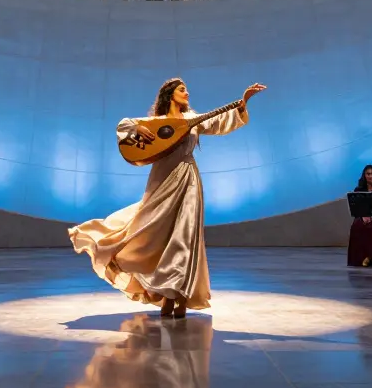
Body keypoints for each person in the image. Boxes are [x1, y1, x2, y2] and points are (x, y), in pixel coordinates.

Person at [70, 78, 265, 318]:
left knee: (185, 236)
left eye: (186, 89)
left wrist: (242, 103)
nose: (187, 93)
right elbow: (124, 125)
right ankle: (161, 290)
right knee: (152, 231)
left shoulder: (192, 120)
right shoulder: (158, 122)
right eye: (182, 90)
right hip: (161, 179)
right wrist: (137, 128)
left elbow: (218, 122)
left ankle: (180, 295)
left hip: (188, 179)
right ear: (169, 94)